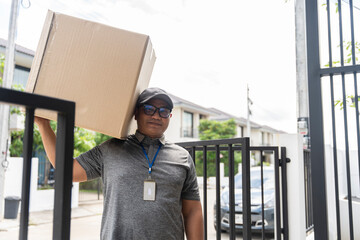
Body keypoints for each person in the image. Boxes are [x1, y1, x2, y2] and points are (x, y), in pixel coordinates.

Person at [35, 87, 204, 240]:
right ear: (136, 113)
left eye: (163, 111)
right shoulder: (110, 149)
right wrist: (44, 125)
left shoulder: (183, 157)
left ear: (170, 117)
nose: (156, 116)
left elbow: (192, 211)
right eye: (149, 109)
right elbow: (68, 170)